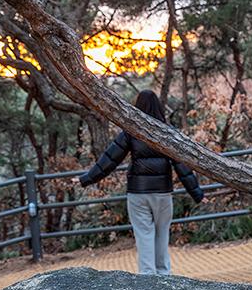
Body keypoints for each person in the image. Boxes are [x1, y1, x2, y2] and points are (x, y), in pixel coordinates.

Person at [74, 90, 204, 275]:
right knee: (162, 238)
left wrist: (86, 179)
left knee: (144, 238)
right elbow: (181, 166)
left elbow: (110, 160)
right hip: (163, 193)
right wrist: (197, 193)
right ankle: (165, 277)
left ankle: (147, 281)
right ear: (159, 107)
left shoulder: (131, 132)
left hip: (138, 194)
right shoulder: (168, 132)